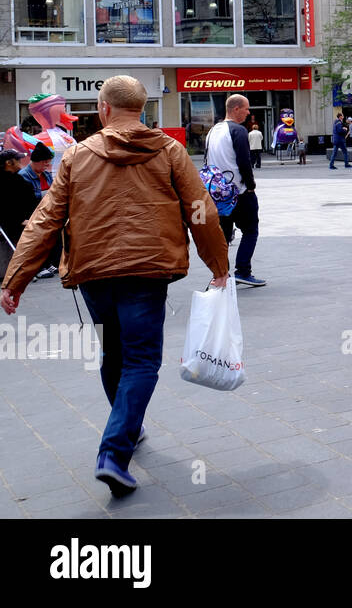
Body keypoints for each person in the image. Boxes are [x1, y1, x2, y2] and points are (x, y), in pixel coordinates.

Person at [1, 76, 230, 498]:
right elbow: (202, 211)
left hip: (95, 273)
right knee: (142, 360)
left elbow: (45, 219)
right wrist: (218, 264)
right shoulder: (170, 151)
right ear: (140, 109)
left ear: (104, 109)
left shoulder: (76, 156)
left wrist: (15, 279)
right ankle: (114, 450)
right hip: (147, 270)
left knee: (113, 351)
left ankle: (126, 426)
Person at [205, 94, 266, 287]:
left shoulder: (213, 131)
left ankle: (223, 273)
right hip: (239, 192)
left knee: (223, 234)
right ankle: (243, 271)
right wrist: (250, 185)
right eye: (247, 109)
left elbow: (207, 162)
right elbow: (244, 161)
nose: (249, 113)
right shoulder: (238, 131)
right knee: (250, 230)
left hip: (218, 194)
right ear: (236, 109)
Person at [18, 143, 59, 279]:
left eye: (49, 162)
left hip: (46, 211)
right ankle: (39, 266)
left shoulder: (46, 175)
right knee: (40, 231)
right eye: (45, 162)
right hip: (30, 213)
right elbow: (25, 203)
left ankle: (52, 262)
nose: (47, 165)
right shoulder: (23, 177)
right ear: (36, 161)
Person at [0, 148, 38, 253]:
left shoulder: (18, 179)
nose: (20, 160)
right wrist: (20, 221)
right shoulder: (8, 182)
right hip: (14, 231)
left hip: (26, 225)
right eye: (17, 159)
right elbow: (6, 206)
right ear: (8, 163)